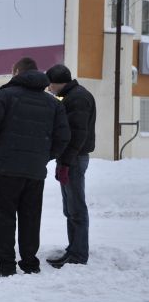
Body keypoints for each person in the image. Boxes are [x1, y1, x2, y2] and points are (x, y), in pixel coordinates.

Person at [0, 57, 70, 277]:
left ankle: (6, 265)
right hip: (35, 171)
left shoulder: (4, 96)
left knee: (4, 217)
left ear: (17, 71)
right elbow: (64, 137)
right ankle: (30, 263)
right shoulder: (53, 103)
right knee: (31, 217)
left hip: (6, 169)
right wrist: (45, 157)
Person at [45, 64, 96, 268]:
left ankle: (78, 253)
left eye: (50, 84)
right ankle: (73, 248)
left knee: (76, 208)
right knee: (70, 208)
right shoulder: (73, 96)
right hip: (71, 158)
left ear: (58, 82)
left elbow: (77, 134)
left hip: (74, 158)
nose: (49, 88)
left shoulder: (77, 98)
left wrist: (65, 162)